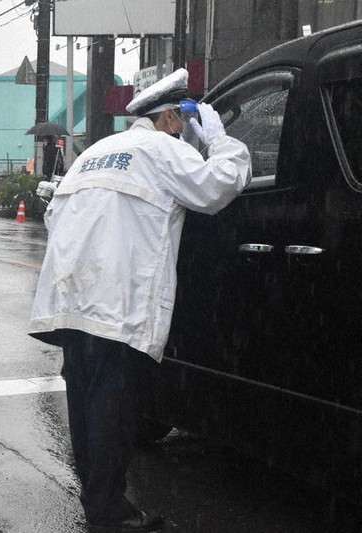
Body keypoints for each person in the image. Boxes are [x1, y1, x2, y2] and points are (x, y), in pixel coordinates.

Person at [28, 68, 251, 532]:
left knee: (86, 403)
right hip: (117, 299)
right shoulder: (161, 148)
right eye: (184, 121)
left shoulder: (97, 151)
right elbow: (217, 188)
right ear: (169, 116)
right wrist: (224, 142)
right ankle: (110, 513)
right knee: (113, 405)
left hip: (71, 296)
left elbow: (55, 216)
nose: (186, 130)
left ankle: (98, 501)